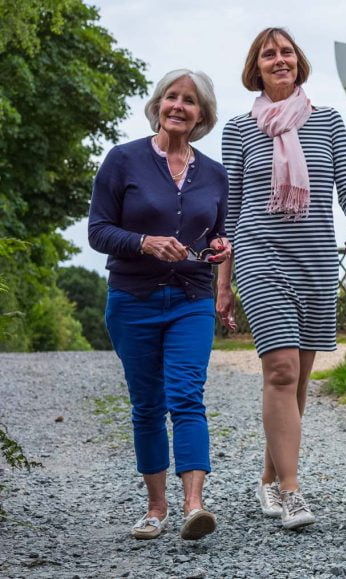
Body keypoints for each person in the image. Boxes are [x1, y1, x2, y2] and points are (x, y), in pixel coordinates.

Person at [217, 27, 346, 530]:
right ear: (255, 68)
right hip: (259, 253)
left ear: (297, 63)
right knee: (280, 371)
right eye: (268, 54)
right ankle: (292, 491)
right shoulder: (240, 130)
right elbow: (231, 207)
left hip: (315, 259)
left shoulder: (326, 122)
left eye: (285, 52)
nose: (278, 59)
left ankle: (268, 477)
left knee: (299, 379)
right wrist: (224, 281)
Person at [88, 69, 230, 541]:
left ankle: (195, 505)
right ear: (158, 104)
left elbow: (217, 234)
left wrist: (220, 248)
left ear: (201, 115)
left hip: (191, 298)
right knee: (147, 405)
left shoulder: (214, 173)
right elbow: (98, 231)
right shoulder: (122, 160)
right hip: (133, 298)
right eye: (172, 97)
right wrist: (145, 242)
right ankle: (156, 508)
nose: (178, 106)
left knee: (187, 396)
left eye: (189, 101)